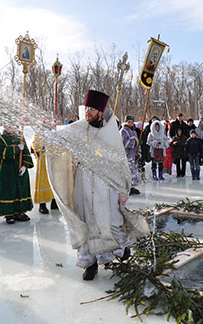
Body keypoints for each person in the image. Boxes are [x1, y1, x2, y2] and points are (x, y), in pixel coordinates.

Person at [45, 90, 148, 281]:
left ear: (101, 111)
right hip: (83, 184)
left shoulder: (110, 132)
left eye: (92, 109)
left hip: (106, 185)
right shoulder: (78, 128)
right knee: (85, 221)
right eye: (87, 108)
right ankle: (90, 264)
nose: (88, 112)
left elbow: (119, 162)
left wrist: (122, 188)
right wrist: (47, 138)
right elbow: (59, 139)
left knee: (111, 222)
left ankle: (121, 249)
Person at [0, 125, 34, 224]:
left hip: (20, 170)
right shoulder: (0, 139)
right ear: (5, 127)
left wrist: (25, 165)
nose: (12, 129)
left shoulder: (20, 138)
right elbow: (2, 153)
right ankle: (9, 214)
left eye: (13, 126)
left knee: (20, 190)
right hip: (7, 171)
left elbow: (26, 152)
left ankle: (20, 212)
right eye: (9, 126)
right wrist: (16, 148)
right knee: (8, 191)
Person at [31, 133, 58, 214]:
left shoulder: (53, 133)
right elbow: (35, 145)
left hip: (52, 161)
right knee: (42, 183)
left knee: (54, 182)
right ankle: (42, 205)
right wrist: (42, 148)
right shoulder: (37, 134)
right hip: (43, 162)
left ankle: (54, 202)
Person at [120, 115, 140, 195]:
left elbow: (137, 143)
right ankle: (126, 187)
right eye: (129, 122)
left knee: (133, 170)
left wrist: (138, 152)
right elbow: (123, 142)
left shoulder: (134, 131)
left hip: (133, 155)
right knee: (127, 171)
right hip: (126, 154)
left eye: (132, 122)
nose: (130, 123)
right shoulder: (123, 131)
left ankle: (132, 187)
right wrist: (133, 143)